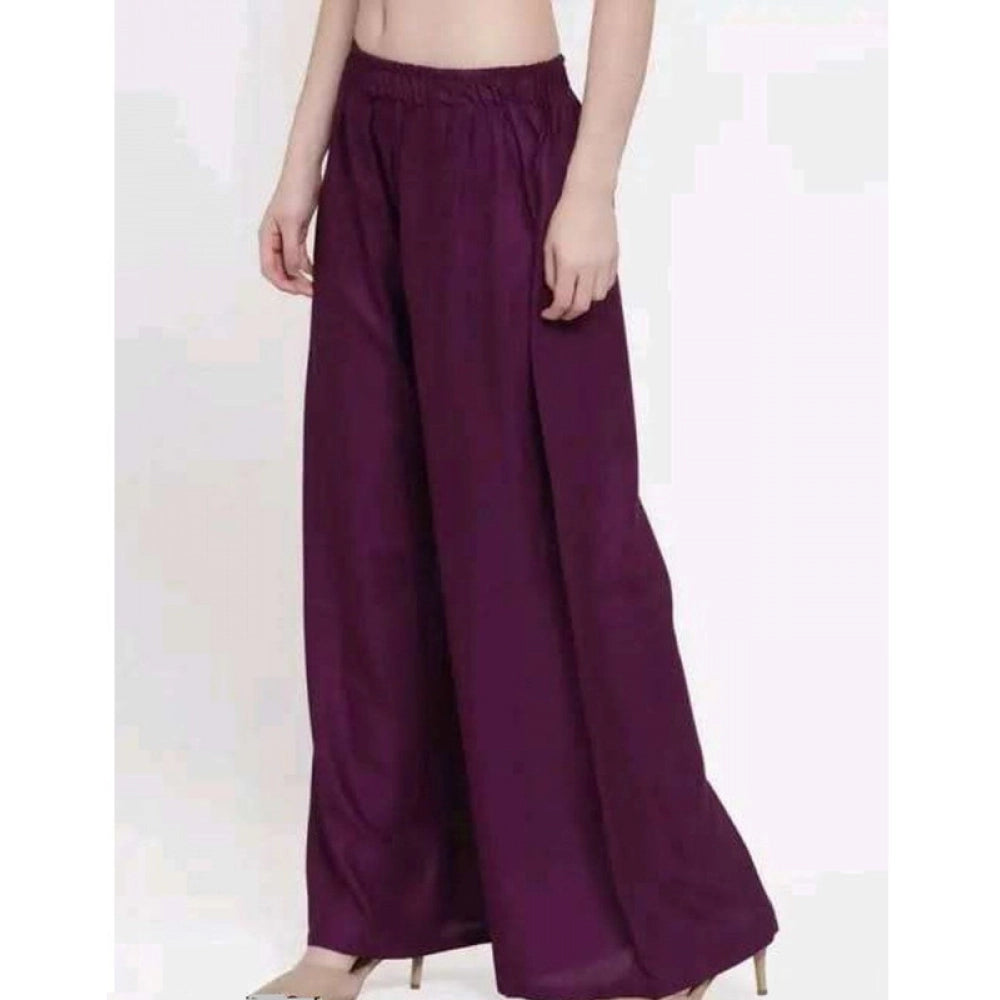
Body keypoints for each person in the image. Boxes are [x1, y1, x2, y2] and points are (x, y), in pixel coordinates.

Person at [250, 2, 778, 999]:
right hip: (370, 133)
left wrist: (591, 186)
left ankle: (682, 919)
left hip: (499, 136)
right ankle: (359, 914)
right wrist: (301, 160)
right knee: (367, 537)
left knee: (552, 546)